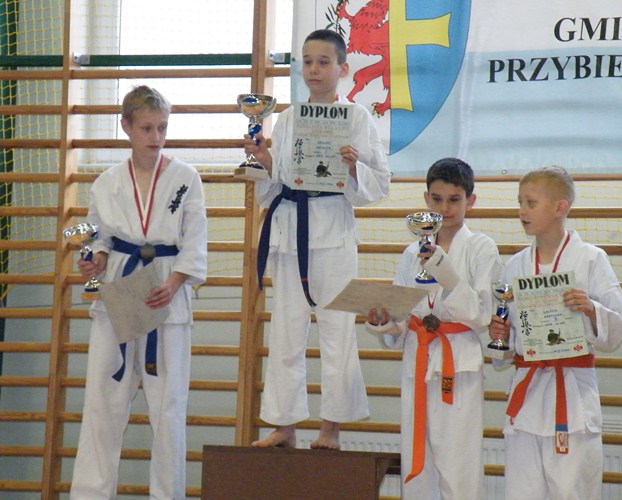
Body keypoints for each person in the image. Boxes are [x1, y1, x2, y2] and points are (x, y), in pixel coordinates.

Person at [243, 29, 391, 449]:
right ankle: (284, 425)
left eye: (324, 62)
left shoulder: (357, 118)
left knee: (337, 331)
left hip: (333, 232)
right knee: (286, 331)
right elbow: (275, 184)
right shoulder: (288, 118)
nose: (314, 69)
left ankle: (331, 428)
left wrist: (355, 166)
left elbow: (379, 183)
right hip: (290, 232)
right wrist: (265, 161)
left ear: (342, 69)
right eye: (307, 61)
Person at [70, 85, 208, 499]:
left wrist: (175, 281)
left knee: (168, 409)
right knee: (102, 403)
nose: (156, 136)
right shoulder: (107, 182)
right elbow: (98, 235)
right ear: (126, 126)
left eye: (162, 127)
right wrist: (94, 258)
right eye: (147, 128)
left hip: (166, 296)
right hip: (119, 293)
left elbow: (196, 240)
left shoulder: (186, 178)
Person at [488, 165, 622, 500]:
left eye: (531, 202)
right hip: (527, 394)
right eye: (520, 202)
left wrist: (591, 308)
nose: (522, 211)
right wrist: (501, 335)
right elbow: (505, 346)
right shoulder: (515, 265)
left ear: (559, 207)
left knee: (572, 490)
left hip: (572, 392)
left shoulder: (591, 259)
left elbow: (620, 323)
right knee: (521, 492)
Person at [366, 158, 501, 499]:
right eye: (437, 199)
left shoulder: (482, 248)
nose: (445, 208)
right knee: (418, 458)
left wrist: (444, 270)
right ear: (426, 199)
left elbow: (481, 314)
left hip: (458, 362)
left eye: (454, 200)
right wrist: (385, 322)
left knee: (458, 463)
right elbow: (402, 315)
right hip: (418, 357)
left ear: (471, 201)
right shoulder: (411, 252)